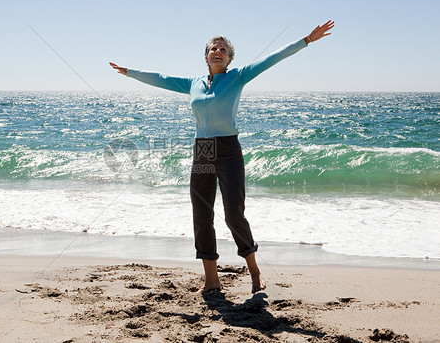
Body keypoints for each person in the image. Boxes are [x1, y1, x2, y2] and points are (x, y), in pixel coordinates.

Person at [110, 20, 334, 294]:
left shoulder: (238, 76)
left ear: (229, 59)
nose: (217, 51)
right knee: (202, 216)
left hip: (228, 149)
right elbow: (161, 79)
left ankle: (254, 270)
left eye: (223, 49)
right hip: (202, 150)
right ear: (206, 56)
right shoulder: (193, 83)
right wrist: (130, 72)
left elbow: (272, 58)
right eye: (213, 48)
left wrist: (306, 40)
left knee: (233, 215)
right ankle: (211, 279)